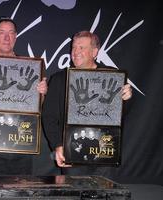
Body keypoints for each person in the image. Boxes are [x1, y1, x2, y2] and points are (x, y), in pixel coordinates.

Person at [42, 30, 132, 176]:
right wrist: (58, 145)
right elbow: (49, 117)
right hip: (72, 153)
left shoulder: (112, 76)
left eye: (81, 47)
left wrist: (126, 98)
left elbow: (122, 115)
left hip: (104, 152)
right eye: (73, 47)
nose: (75, 52)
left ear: (95, 52)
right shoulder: (59, 79)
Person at [0, 16, 47, 175]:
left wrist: (42, 93)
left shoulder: (30, 68)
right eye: (1, 32)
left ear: (16, 36)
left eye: (11, 33)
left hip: (21, 148)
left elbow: (38, 108)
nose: (7, 37)